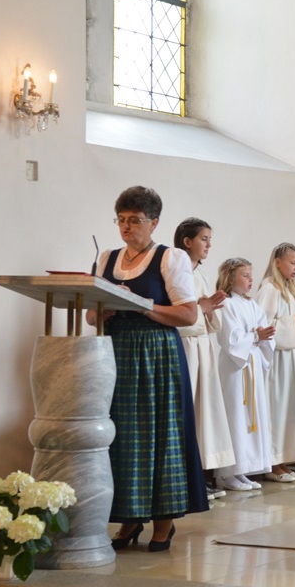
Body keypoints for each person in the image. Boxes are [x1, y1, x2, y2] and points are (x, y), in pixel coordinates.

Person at [87, 186, 209, 552]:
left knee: (160, 434)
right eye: (121, 220)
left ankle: (163, 522)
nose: (126, 227)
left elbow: (188, 314)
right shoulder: (107, 258)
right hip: (118, 352)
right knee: (123, 436)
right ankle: (129, 517)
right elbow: (91, 315)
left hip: (157, 355)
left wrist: (143, 306)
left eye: (135, 220)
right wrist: (103, 310)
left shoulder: (170, 257)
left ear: (153, 222)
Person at [174, 218, 235, 500]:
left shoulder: (200, 272)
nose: (209, 244)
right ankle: (186, 477)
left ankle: (200, 476)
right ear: (187, 242)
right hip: (187, 348)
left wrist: (209, 309)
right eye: (204, 239)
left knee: (203, 413)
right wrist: (202, 309)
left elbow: (207, 315)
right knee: (188, 412)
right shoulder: (176, 271)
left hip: (202, 348)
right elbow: (177, 316)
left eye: (210, 239)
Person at [255, 243, 295, 481]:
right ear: (277, 262)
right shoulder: (270, 289)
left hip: (292, 358)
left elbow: (288, 320)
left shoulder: (288, 289)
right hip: (277, 361)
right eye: (292, 263)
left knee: (289, 411)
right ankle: (272, 464)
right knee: (277, 410)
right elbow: (263, 325)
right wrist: (294, 321)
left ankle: (282, 462)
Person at [212, 258, 276, 491]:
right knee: (235, 416)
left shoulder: (252, 305)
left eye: (251, 275)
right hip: (234, 368)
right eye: (245, 275)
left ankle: (242, 469)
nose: (251, 280)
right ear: (230, 278)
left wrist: (262, 336)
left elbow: (264, 332)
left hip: (253, 363)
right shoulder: (226, 303)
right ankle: (226, 474)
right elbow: (230, 340)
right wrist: (256, 336)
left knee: (251, 416)